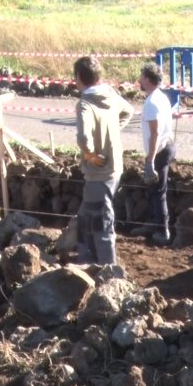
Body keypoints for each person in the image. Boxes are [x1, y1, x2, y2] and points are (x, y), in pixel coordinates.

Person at [73, 56, 134, 265]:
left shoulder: (85, 104)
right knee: (86, 218)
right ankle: (87, 260)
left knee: (101, 222)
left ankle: (109, 270)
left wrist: (89, 154)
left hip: (99, 172)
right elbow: (129, 111)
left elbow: (83, 138)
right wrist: (112, 134)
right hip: (114, 166)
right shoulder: (110, 95)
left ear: (79, 77)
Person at [130, 63, 176, 245]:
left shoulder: (152, 103)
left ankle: (163, 231)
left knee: (158, 191)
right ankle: (153, 224)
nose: (139, 80)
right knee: (153, 190)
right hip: (164, 147)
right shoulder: (161, 98)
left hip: (160, 150)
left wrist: (150, 160)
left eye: (142, 77)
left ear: (148, 80)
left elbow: (155, 133)